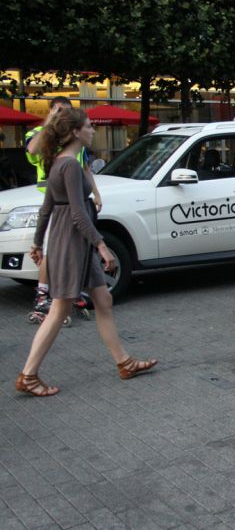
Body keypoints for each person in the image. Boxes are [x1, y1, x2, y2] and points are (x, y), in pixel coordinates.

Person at [16, 108, 157, 396]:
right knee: (59, 309)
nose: (93, 130)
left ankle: (124, 362)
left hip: (72, 239)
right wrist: (102, 246)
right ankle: (28, 375)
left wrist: (37, 243)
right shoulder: (68, 165)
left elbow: (47, 208)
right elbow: (78, 214)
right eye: (89, 126)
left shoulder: (61, 161)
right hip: (71, 241)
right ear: (75, 132)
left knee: (103, 300)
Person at [25, 97, 102, 321]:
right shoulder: (43, 134)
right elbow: (32, 150)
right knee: (56, 251)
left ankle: (68, 293)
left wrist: (96, 193)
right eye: (60, 111)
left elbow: (85, 168)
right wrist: (50, 121)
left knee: (66, 252)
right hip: (56, 202)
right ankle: (45, 295)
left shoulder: (75, 145)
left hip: (69, 200)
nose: (65, 116)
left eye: (68, 112)